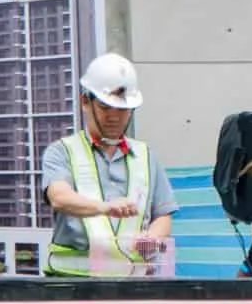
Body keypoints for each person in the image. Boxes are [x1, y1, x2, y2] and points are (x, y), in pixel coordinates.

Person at [41, 52, 175, 276]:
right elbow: (58, 197)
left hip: (132, 288)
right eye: (105, 107)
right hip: (73, 287)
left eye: (122, 109)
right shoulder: (62, 152)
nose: (114, 117)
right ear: (86, 102)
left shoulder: (145, 156)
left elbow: (163, 214)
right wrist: (104, 207)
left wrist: (151, 240)